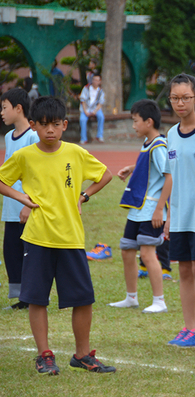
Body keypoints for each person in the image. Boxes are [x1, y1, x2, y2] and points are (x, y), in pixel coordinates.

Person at [0, 96, 114, 375]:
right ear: (34, 126)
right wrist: (22, 198)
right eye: (43, 125)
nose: (50, 130)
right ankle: (44, 354)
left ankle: (82, 354)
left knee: (83, 298)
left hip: (71, 237)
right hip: (38, 237)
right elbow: (2, 180)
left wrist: (84, 196)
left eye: (55, 124)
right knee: (37, 298)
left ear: (64, 125)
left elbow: (105, 175)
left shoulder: (75, 153)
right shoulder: (25, 156)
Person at [163, 73, 195, 348]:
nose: (180, 103)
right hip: (181, 215)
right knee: (183, 270)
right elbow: (173, 176)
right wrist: (170, 215)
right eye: (175, 98)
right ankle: (188, 327)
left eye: (185, 98)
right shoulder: (171, 134)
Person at [108, 99, 170, 314]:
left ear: (149, 121)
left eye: (135, 121)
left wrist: (160, 209)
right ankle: (131, 298)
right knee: (126, 249)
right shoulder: (148, 144)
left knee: (147, 253)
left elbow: (169, 177)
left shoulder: (159, 145)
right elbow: (150, 167)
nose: (133, 126)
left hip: (151, 209)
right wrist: (132, 168)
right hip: (138, 209)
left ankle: (159, 301)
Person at [0, 88, 39, 310]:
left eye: (4, 108)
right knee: (11, 251)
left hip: (26, 208)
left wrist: (28, 204)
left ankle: (33, 295)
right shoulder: (8, 136)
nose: (2, 113)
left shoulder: (32, 137)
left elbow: (35, 173)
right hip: (10, 208)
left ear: (18, 108)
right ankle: (22, 297)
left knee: (29, 253)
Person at [79, 74, 105, 144]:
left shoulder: (100, 91)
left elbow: (101, 103)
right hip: (86, 108)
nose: (95, 82)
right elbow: (82, 101)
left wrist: (95, 111)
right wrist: (85, 111)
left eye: (97, 80)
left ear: (100, 81)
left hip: (95, 108)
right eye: (94, 80)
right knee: (82, 119)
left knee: (101, 117)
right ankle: (83, 138)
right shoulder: (86, 88)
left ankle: (99, 135)